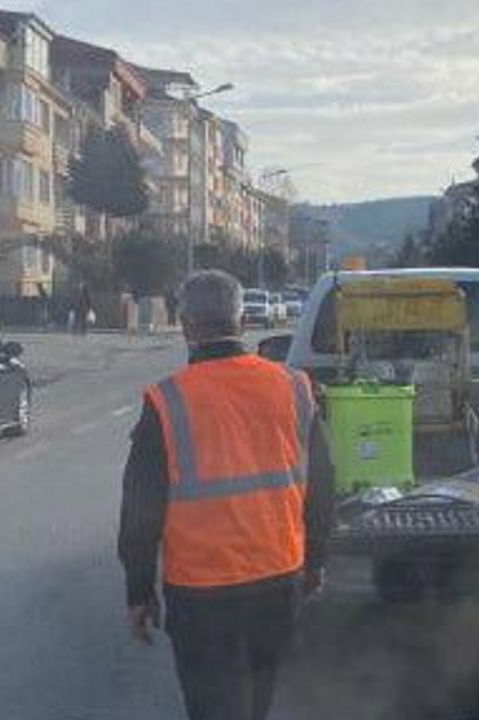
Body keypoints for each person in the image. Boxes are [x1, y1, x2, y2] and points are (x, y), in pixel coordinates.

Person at [118, 270, 334, 720]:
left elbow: (140, 510)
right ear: (241, 321)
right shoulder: (294, 388)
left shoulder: (167, 401)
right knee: (258, 703)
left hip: (203, 594)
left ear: (185, 325)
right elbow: (321, 485)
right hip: (279, 580)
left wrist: (139, 590)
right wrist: (314, 563)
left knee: (215, 709)